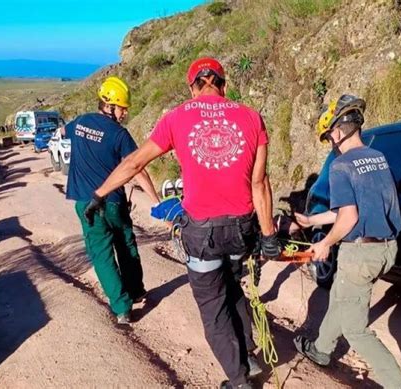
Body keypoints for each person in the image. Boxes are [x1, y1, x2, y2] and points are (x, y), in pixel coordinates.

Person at [84, 57, 281, 388]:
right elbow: (260, 183)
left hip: (202, 232)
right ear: (223, 84)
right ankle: (247, 353)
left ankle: (238, 379)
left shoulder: (177, 117)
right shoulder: (251, 117)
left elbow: (134, 163)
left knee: (212, 305)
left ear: (192, 87)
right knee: (232, 285)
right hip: (240, 229)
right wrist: (268, 235)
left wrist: (100, 193)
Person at [293, 95, 401, 388]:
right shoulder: (378, 157)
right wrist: (311, 221)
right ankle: (321, 348)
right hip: (386, 249)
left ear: (339, 129)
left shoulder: (341, 165)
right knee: (341, 296)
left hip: (360, 254)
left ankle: (399, 384)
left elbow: (348, 217)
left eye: (329, 133)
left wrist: (325, 243)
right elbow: (350, 209)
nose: (330, 140)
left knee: (355, 329)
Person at [63, 76, 160, 325]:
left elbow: (63, 131)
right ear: (109, 105)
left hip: (86, 203)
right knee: (126, 245)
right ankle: (136, 290)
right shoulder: (119, 134)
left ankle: (122, 308)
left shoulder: (80, 122)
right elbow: (138, 169)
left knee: (102, 255)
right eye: (122, 107)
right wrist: (156, 202)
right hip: (114, 201)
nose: (125, 112)